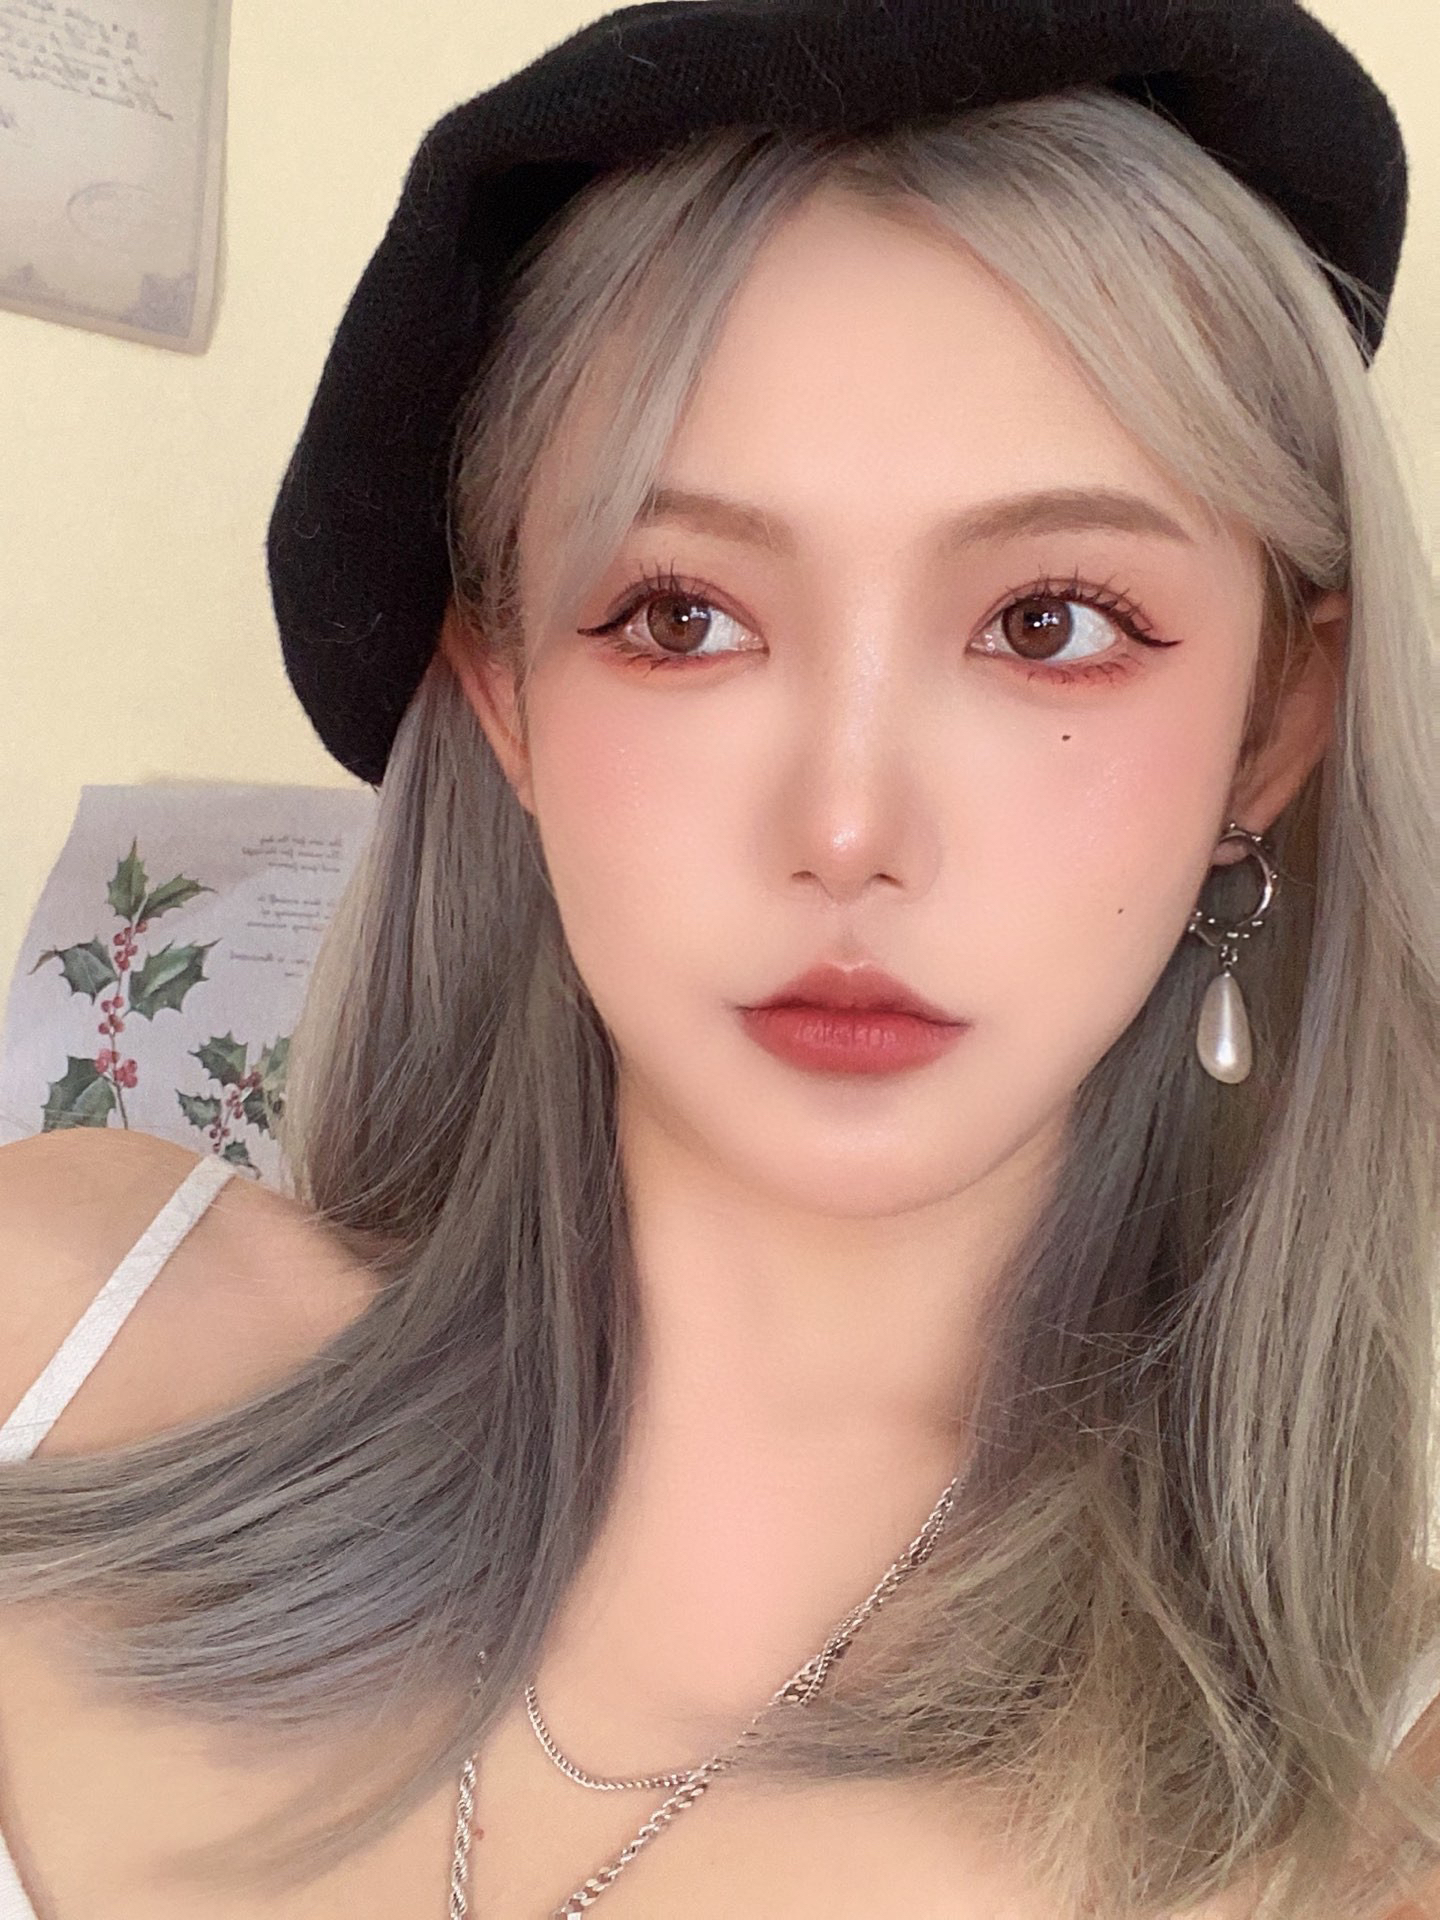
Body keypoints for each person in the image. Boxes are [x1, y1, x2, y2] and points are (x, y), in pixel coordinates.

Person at [0, 3, 1437, 1916]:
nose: (846, 824)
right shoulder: (54, 1331)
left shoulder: (1380, 1805)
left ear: (1273, 726)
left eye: (1051, 623)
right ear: (506, 696)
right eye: (682, 617)